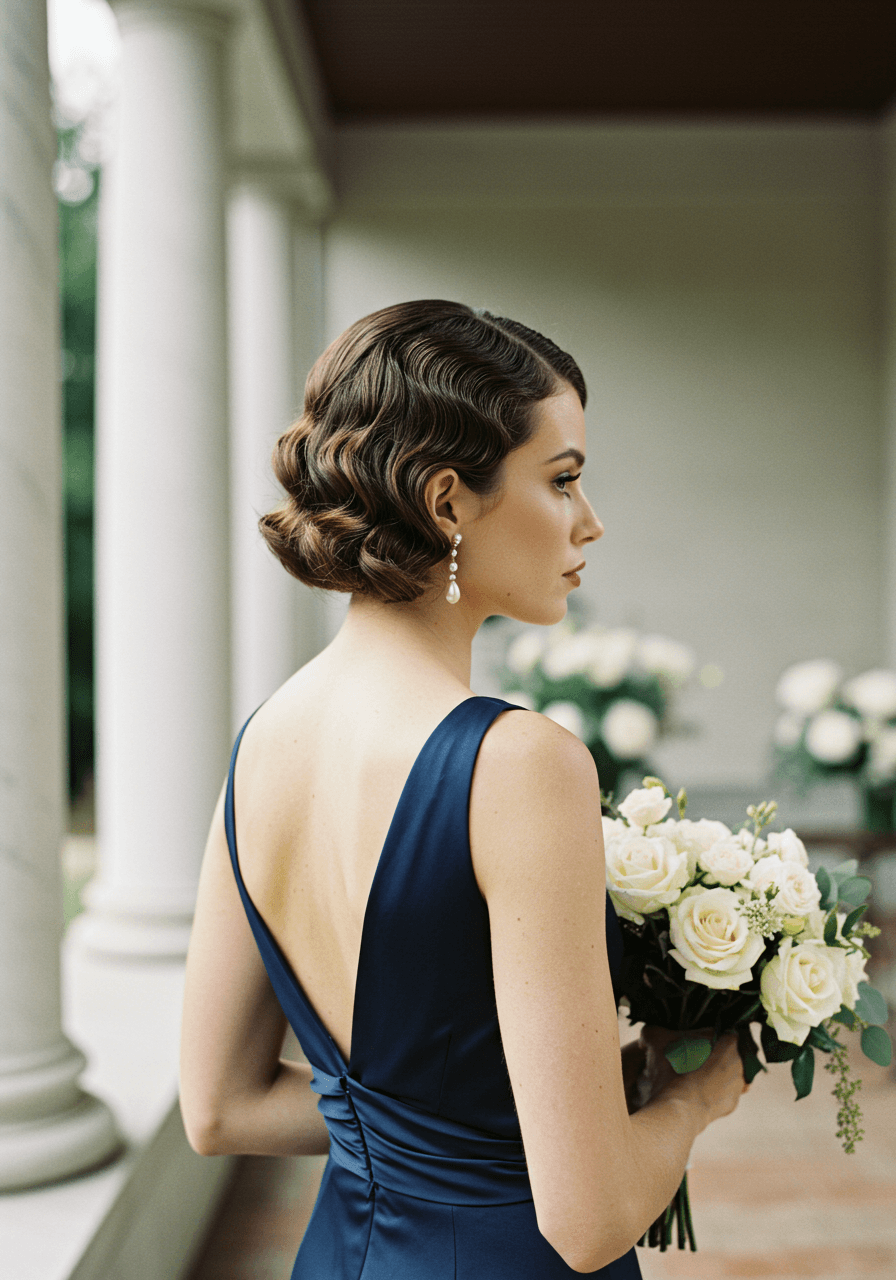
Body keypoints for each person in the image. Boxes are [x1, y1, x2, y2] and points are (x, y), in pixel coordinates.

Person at [180, 300, 748, 1278]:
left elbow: (218, 1108)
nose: (589, 520)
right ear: (446, 502)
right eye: (562, 479)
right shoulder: (520, 764)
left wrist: (472, 1118)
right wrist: (693, 1096)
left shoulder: (261, 743)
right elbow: (588, 1216)